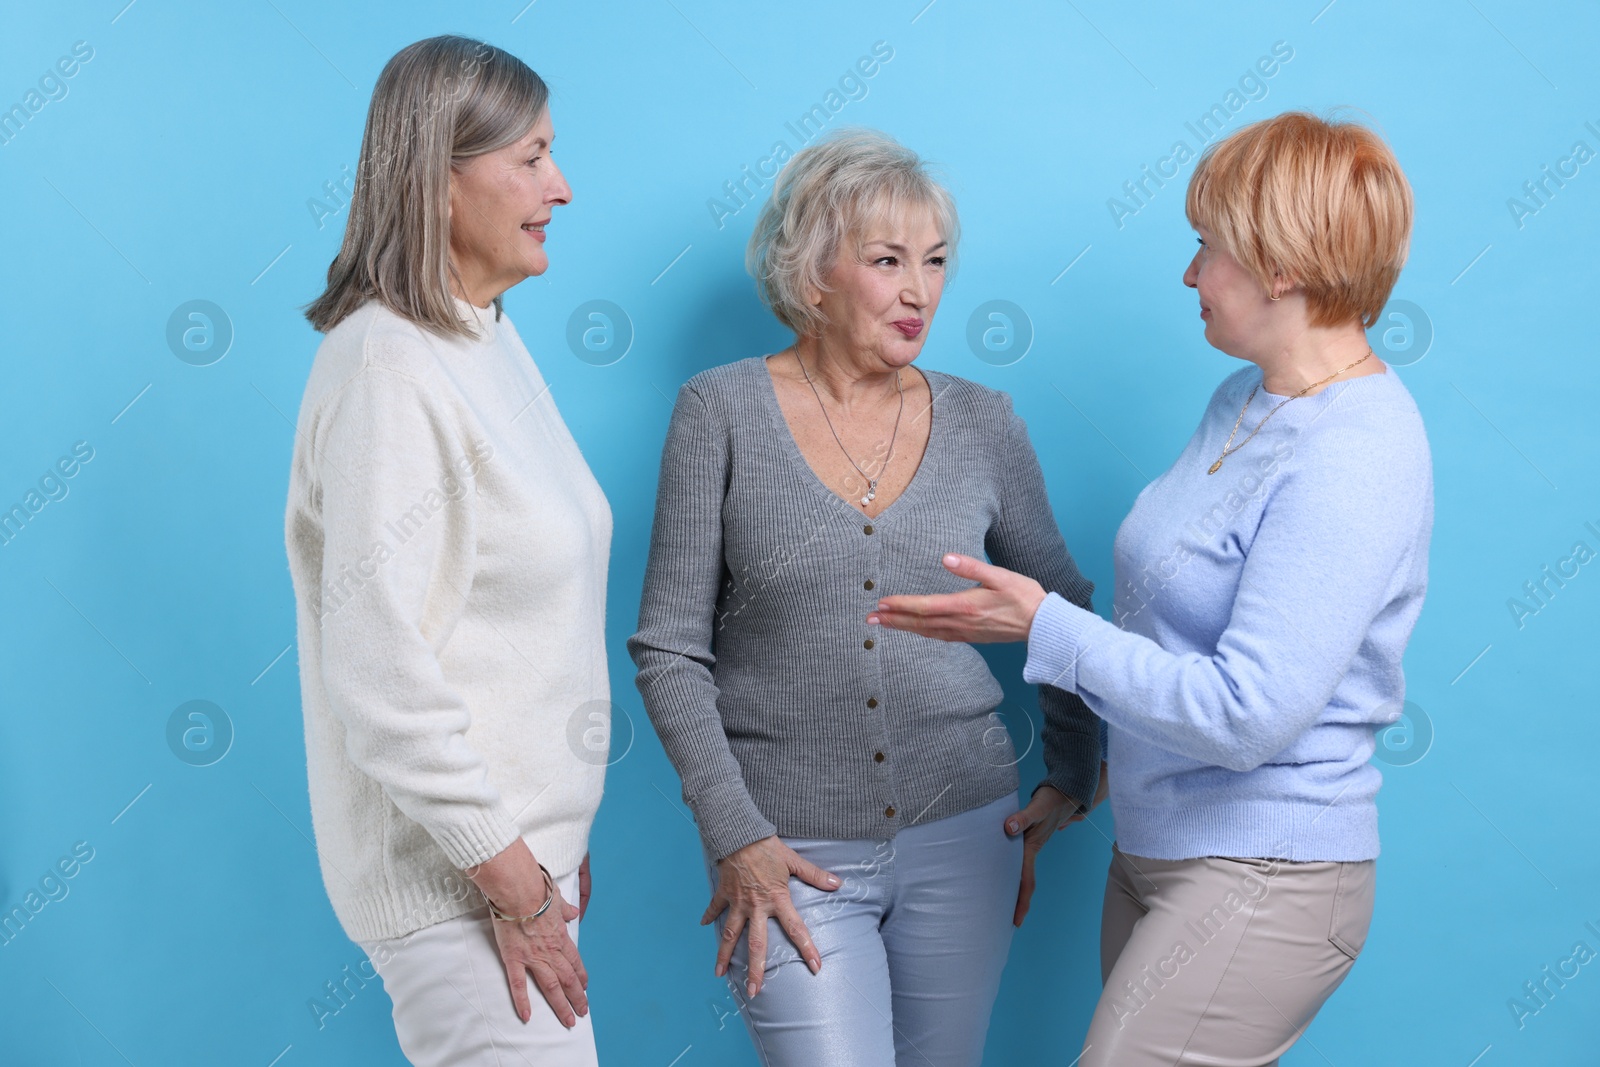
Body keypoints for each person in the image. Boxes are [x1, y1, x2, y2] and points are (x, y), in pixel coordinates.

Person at [870, 110, 1432, 1066]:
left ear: (1282, 262)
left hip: (1267, 873)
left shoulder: (1358, 452)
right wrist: (1079, 782)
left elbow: (1248, 713)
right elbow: (1164, 624)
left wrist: (1042, 625)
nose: (1189, 273)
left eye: (1206, 247)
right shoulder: (1249, 402)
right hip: (1158, 853)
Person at [628, 128, 1101, 1067]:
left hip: (967, 833)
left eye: (933, 262)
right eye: (888, 261)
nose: (920, 290)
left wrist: (1073, 775)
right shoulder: (717, 410)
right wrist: (736, 831)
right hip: (788, 851)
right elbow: (669, 647)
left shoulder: (983, 420)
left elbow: (1063, 604)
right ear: (812, 275)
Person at [285, 35, 611, 1066]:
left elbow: (514, 625)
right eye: (529, 157)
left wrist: (557, 842)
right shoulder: (387, 365)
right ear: (435, 177)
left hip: (516, 874)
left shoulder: (482, 337)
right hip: (460, 892)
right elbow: (380, 676)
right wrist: (514, 876)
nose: (559, 186)